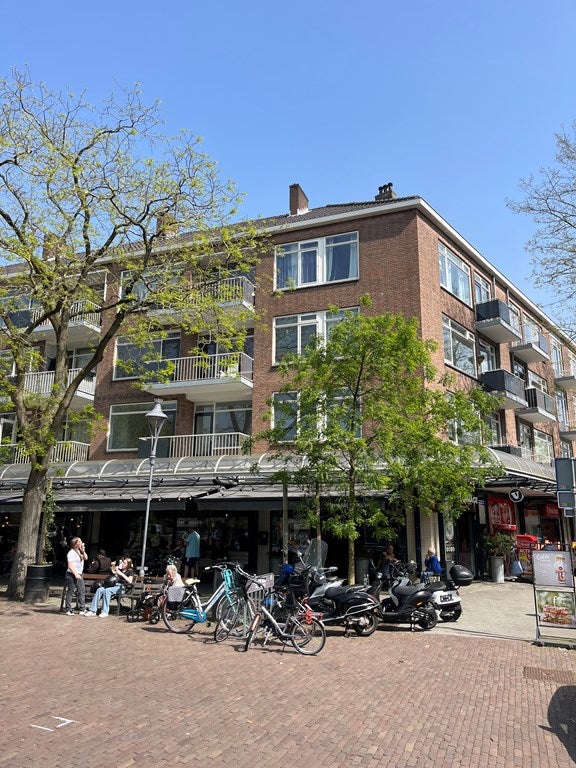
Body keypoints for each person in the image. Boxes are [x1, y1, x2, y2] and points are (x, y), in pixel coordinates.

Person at [63, 536, 89, 615]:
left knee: (81, 591)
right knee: (71, 591)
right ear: (75, 544)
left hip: (79, 573)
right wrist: (76, 574)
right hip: (72, 574)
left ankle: (82, 609)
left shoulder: (79, 551)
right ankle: (68, 609)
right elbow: (70, 565)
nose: (81, 543)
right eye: (79, 542)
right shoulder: (71, 553)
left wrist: (83, 551)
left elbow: (86, 558)